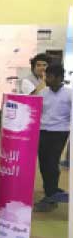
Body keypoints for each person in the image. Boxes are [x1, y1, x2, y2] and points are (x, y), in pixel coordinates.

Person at [34, 64, 71, 212]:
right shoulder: (43, 93)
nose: (46, 79)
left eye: (49, 76)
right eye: (45, 76)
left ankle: (50, 197)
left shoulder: (69, 94)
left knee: (52, 163)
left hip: (60, 133)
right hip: (42, 132)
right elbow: (37, 112)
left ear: (59, 78)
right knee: (43, 164)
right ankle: (51, 191)